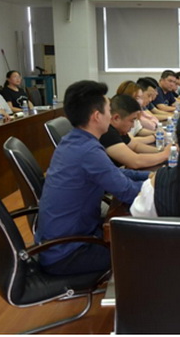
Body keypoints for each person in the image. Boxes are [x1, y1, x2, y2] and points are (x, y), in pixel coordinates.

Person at [35, 81, 150, 276]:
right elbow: (128, 192)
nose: (111, 116)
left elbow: (115, 174)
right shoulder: (88, 151)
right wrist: (161, 185)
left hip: (65, 241)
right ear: (97, 116)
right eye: (108, 110)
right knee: (150, 251)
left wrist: (152, 176)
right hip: (69, 253)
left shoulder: (75, 140)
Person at [99, 94, 171, 169]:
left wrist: (162, 150)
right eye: (132, 120)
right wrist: (164, 155)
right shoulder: (107, 132)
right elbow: (135, 161)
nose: (133, 126)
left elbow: (135, 146)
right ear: (116, 118)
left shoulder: (119, 130)